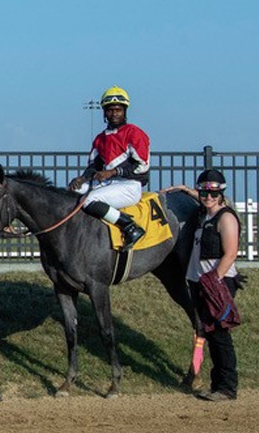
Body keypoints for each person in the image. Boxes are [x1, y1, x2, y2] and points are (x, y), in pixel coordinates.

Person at [165, 169, 239, 402]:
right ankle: (217, 384)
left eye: (213, 193)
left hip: (217, 282)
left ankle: (227, 387)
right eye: (204, 192)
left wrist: (214, 279)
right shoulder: (204, 215)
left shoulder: (225, 218)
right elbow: (202, 200)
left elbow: (230, 253)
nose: (208, 197)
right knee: (209, 333)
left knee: (219, 335)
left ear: (221, 194)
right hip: (199, 281)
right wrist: (186, 190)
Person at [67, 86, 149, 250]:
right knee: (70, 193)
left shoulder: (135, 133)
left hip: (129, 185)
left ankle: (130, 227)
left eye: (118, 110)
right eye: (110, 110)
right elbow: (94, 166)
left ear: (125, 111)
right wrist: (82, 178)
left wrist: (112, 172)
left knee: (90, 200)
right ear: (104, 112)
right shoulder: (100, 138)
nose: (114, 114)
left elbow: (142, 166)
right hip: (109, 184)